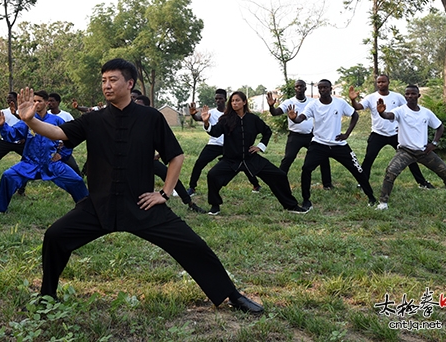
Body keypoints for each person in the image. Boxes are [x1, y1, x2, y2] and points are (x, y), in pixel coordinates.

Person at [18, 59, 263, 314]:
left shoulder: (150, 118)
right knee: (55, 236)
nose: (107, 86)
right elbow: (58, 133)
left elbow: (176, 156)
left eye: (113, 80)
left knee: (193, 245)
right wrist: (31, 121)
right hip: (100, 205)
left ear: (130, 83)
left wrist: (165, 194)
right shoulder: (93, 120)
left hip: (142, 205)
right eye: (103, 81)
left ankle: (232, 295)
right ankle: (47, 295)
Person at [202, 91, 309, 215]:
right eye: (232, 101)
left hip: (251, 158)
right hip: (231, 160)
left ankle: (291, 206)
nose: (234, 103)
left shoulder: (252, 119)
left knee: (279, 175)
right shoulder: (225, 119)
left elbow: (267, 131)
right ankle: (215, 206)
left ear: (244, 102)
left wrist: (260, 146)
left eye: (237, 100)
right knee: (212, 175)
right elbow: (215, 132)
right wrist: (206, 123)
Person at [0, 90, 89, 214]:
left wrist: (62, 154)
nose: (36, 103)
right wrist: (2, 126)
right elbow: (12, 135)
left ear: (47, 103)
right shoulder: (27, 121)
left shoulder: (56, 120)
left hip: (51, 163)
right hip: (30, 162)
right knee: (8, 176)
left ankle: (87, 208)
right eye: (34, 101)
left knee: (76, 180)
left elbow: (70, 137)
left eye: (39, 101)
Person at [287, 79, 377, 210]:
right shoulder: (313, 105)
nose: (322, 90)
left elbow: (354, 115)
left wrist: (346, 134)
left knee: (358, 170)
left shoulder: (339, 103)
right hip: (319, 144)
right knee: (306, 169)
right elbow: (301, 118)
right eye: (320, 88)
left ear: (330, 89)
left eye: (325, 88)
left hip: (338, 144)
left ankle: (371, 198)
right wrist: (294, 118)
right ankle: (306, 200)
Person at [374, 85, 446, 210]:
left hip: (424, 152)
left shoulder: (426, 112)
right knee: (390, 172)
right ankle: (383, 203)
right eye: (407, 94)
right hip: (405, 151)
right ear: (405, 96)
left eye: (413, 94)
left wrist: (434, 144)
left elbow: (440, 127)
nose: (410, 96)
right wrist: (381, 113)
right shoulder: (400, 110)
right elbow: (389, 116)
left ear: (418, 95)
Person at [349, 75, 436, 189]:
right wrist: (353, 100)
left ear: (388, 82)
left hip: (395, 134)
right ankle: (363, 183)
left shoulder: (397, 97)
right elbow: (358, 107)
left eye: (383, 82)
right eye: (378, 82)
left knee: (410, 158)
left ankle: (422, 183)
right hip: (377, 133)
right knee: (369, 159)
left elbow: (408, 109)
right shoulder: (371, 97)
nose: (381, 84)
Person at [134, 95, 206, 214]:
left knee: (172, 177)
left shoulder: (152, 120)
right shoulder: (131, 122)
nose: (136, 108)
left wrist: (158, 155)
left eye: (139, 105)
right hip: (135, 162)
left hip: (151, 161)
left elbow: (167, 144)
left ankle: (190, 203)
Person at [188, 89, 261, 195]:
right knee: (199, 163)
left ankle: (256, 184)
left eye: (220, 99)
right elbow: (200, 118)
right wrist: (193, 115)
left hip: (230, 145)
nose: (218, 101)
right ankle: (192, 188)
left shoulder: (232, 114)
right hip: (214, 144)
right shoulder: (211, 112)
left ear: (226, 99)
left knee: (243, 163)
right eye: (216, 99)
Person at [266, 80, 332, 188]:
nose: (299, 88)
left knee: (323, 157)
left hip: (311, 135)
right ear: (294, 89)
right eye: (297, 86)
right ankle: (278, 182)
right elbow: (275, 113)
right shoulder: (289, 102)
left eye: (301, 86)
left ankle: (327, 184)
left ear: (305, 88)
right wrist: (271, 107)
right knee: (288, 158)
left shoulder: (312, 102)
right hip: (295, 136)